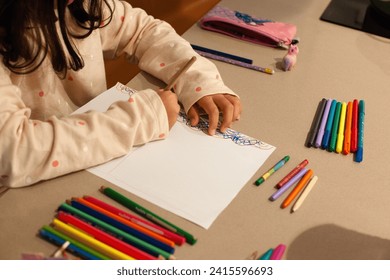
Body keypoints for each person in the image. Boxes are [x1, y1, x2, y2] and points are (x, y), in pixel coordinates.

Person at [0, 0, 242, 188]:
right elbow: (14, 151)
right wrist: (140, 119)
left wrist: (198, 81)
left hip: (85, 168)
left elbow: (143, 32)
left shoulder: (78, 5)